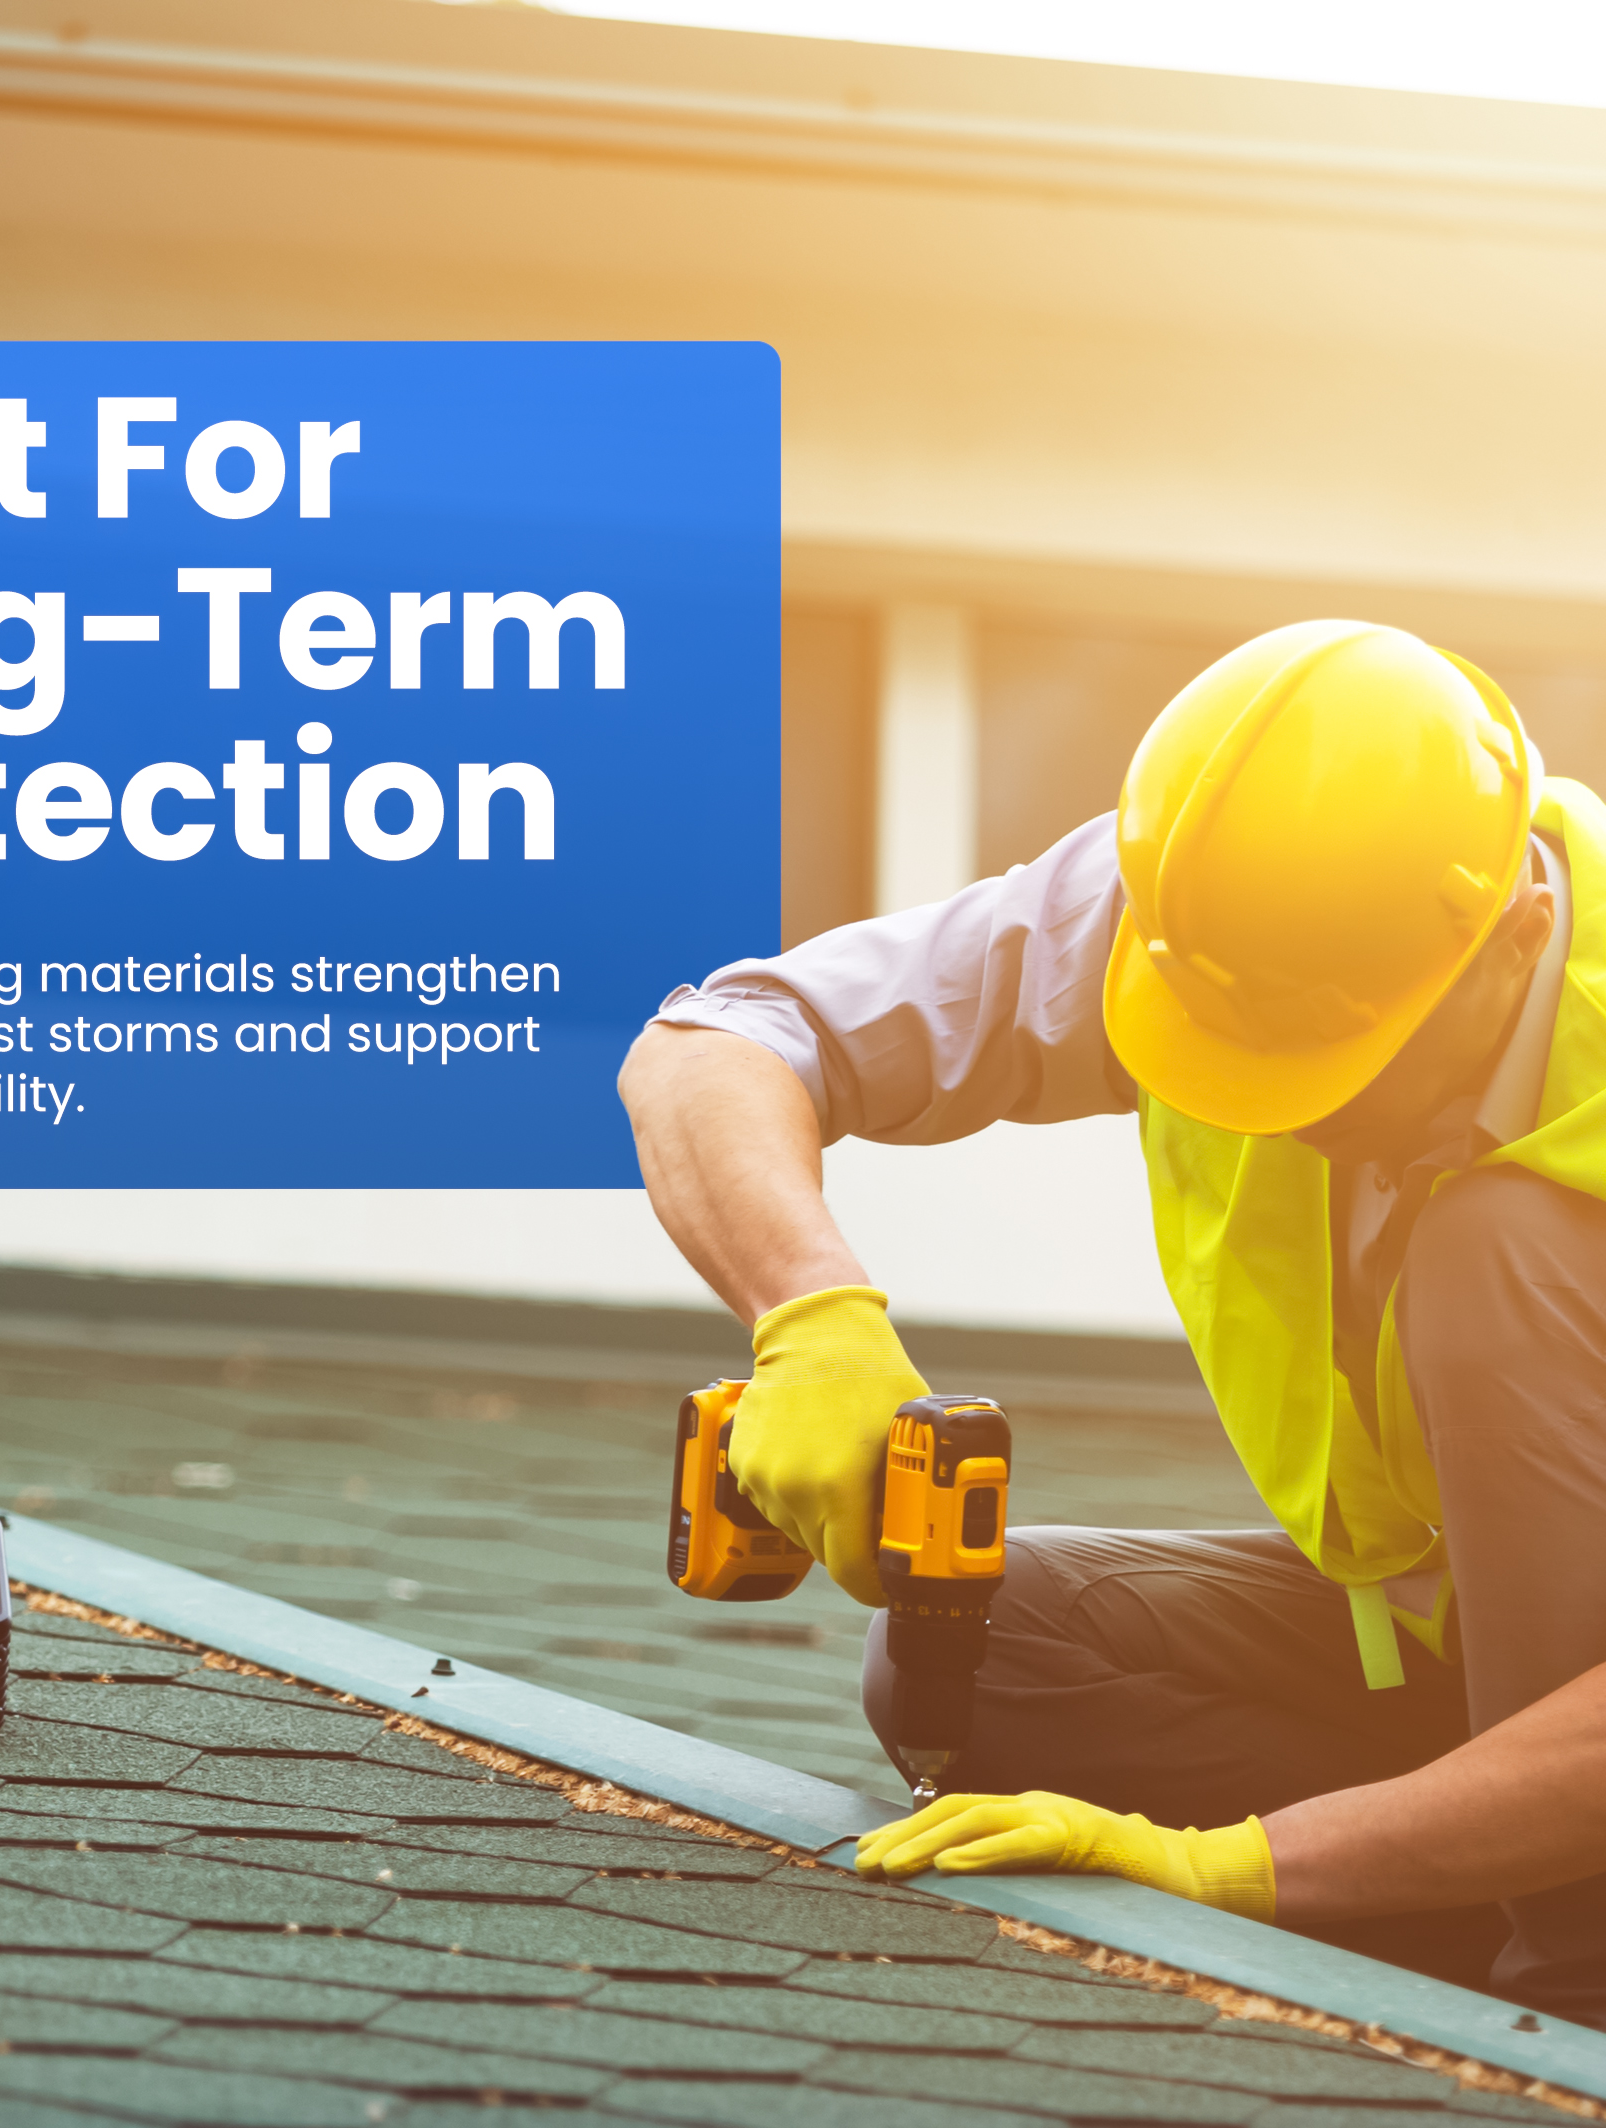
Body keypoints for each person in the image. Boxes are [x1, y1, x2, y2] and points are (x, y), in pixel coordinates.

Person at [619, 619, 1606, 2024]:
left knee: (1496, 1247)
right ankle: (1441, 1906)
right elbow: (718, 1045)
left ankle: (1565, 2006)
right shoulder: (1206, 910)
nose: (1285, 1105)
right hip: (1441, 1652)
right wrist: (812, 1318)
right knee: (980, 1651)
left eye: (1332, 1061)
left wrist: (1230, 1873)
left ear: (1510, 935)